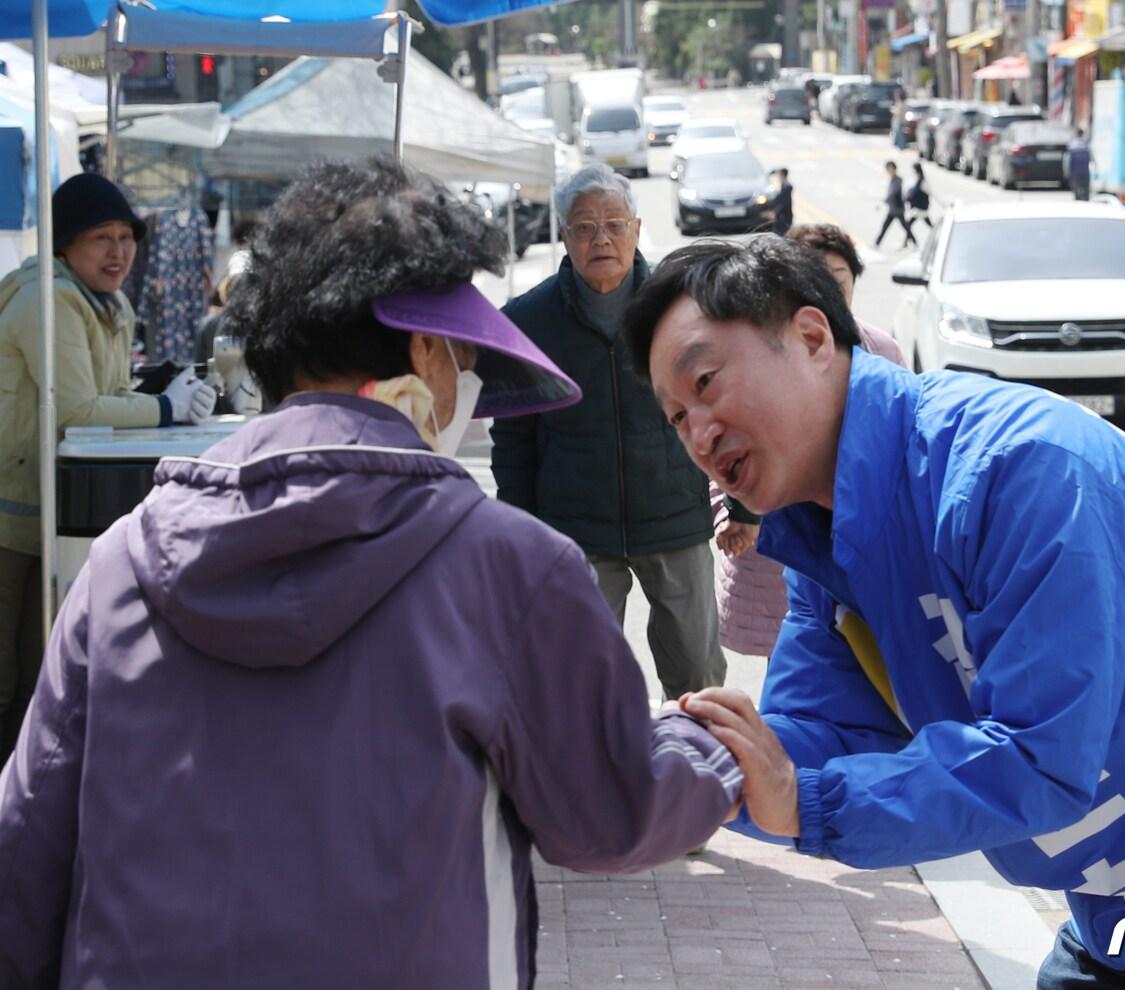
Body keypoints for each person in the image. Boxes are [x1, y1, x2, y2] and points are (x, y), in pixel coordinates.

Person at [0, 157, 742, 986]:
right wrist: (714, 747)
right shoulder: (510, 566)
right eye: (466, 363)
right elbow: (612, 808)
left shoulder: (119, 566)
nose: (467, 385)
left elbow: (28, 846)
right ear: (425, 356)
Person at [622, 236, 1125, 988]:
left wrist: (802, 802)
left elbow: (1039, 755)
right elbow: (817, 739)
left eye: (706, 382)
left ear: (813, 335)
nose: (698, 431)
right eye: (676, 418)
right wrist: (694, 757)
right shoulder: (822, 538)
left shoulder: (1013, 469)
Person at [0, 172, 215, 762]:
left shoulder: (105, 302)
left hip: (47, 509)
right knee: (7, 682)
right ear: (67, 245)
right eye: (101, 237)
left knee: (34, 676)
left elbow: (109, 390)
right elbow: (74, 409)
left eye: (127, 236)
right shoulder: (47, 299)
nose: (119, 251)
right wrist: (165, 408)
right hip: (11, 513)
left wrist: (158, 389)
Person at [491, 164, 726, 700]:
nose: (602, 238)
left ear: (637, 231)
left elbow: (723, 407)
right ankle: (593, 781)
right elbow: (513, 441)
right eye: (585, 227)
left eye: (614, 224)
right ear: (564, 236)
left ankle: (697, 778)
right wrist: (521, 533)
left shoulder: (679, 310)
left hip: (675, 518)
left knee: (698, 677)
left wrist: (741, 505)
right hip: (576, 531)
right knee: (579, 682)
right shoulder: (530, 321)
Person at [711, 226, 905, 659]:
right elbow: (718, 449)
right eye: (812, 277)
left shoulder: (883, 350)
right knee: (796, 666)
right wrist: (732, 510)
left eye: (837, 279)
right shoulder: (752, 358)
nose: (826, 290)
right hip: (778, 550)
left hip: (864, 540)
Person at [875, 160, 916, 249]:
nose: (889, 170)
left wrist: (885, 200)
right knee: (887, 226)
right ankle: (877, 243)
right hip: (893, 208)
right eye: (887, 169)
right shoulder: (893, 179)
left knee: (903, 227)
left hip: (897, 208)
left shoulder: (898, 180)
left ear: (894, 169)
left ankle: (915, 242)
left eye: (890, 168)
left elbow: (893, 193)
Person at [905, 161, 934, 232]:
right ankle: (907, 241)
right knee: (908, 225)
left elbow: (929, 192)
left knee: (909, 225)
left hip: (920, 208)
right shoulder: (917, 180)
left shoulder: (922, 181)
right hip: (917, 208)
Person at [1065, 127, 1093, 201]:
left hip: (1075, 173)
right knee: (1086, 193)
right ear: (1082, 134)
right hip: (1085, 173)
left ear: (1076, 134)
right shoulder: (1086, 145)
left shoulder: (1071, 146)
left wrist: (1067, 173)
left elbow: (1067, 161)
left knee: (1076, 193)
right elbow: (1092, 159)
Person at [769, 167, 794, 237]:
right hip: (782, 217)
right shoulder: (784, 185)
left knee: (781, 235)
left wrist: (775, 212)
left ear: (782, 174)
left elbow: (784, 203)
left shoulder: (787, 186)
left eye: (779, 174)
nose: (778, 176)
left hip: (784, 217)